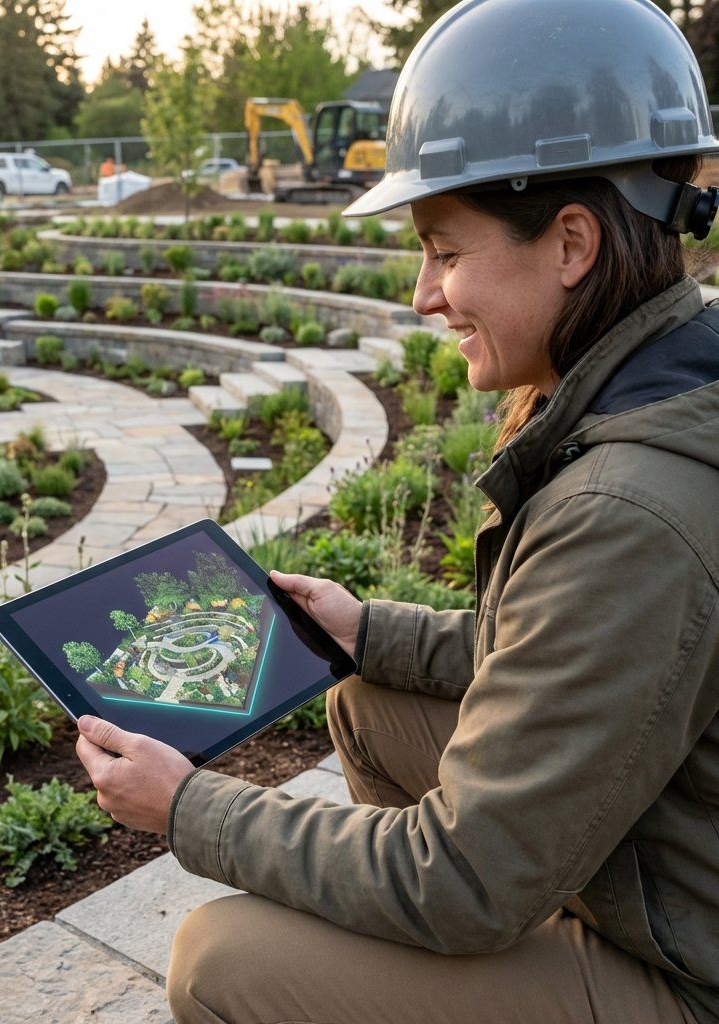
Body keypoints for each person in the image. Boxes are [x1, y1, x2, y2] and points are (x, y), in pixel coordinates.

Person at [75, 0, 719, 1021]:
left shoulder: (627, 509)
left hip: (690, 967)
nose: (425, 294)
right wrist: (367, 630)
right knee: (367, 705)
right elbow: (583, 654)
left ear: (570, 243)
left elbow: (461, 874)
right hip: (672, 858)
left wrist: (188, 805)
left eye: (444, 250)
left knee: (219, 958)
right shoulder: (668, 377)